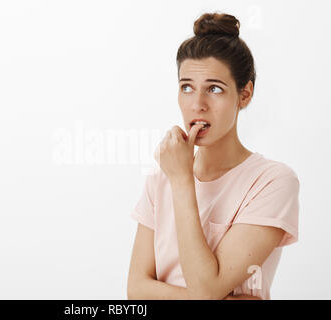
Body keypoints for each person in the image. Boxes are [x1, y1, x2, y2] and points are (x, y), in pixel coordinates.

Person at [127, 12, 300, 300]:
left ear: (244, 95)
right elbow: (136, 290)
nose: (198, 104)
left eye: (214, 89)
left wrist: (183, 182)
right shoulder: (161, 178)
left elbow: (207, 289)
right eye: (187, 88)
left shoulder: (273, 181)